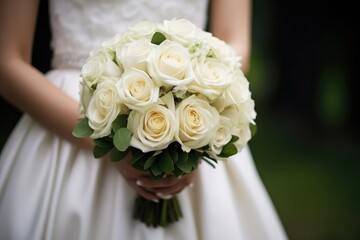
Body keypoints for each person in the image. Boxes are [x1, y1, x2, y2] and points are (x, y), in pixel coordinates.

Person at [0, 0, 287, 239]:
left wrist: (190, 121)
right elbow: (7, 63)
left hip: (191, 101)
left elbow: (236, 42)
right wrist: (107, 139)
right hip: (74, 117)